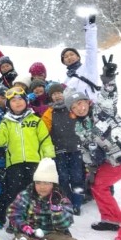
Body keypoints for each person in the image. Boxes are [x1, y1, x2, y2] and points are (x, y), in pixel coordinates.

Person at [69, 55, 121, 240]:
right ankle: (112, 219)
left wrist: (108, 80)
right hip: (114, 161)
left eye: (81, 102)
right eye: (74, 106)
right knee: (98, 185)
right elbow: (87, 152)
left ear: (87, 102)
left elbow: (109, 97)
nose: (80, 107)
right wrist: (91, 169)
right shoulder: (80, 129)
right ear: (71, 110)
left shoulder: (101, 110)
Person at [6, 158, 119, 240]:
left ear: (53, 184)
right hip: (30, 232)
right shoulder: (26, 195)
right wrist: (25, 228)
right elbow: (13, 213)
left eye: (46, 183)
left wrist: (57, 212)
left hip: (54, 233)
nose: (42, 187)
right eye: (38, 182)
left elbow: (66, 223)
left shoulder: (61, 199)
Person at [0, 86, 55, 211]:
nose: (17, 102)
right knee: (15, 192)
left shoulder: (36, 120)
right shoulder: (5, 123)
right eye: (13, 100)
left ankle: (36, 217)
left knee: (36, 191)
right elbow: (0, 141)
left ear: (26, 101)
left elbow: (45, 140)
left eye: (20, 99)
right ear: (9, 105)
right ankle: (16, 219)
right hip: (14, 163)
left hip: (35, 162)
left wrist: (49, 159)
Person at [41, 83, 85, 215]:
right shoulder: (49, 112)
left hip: (76, 148)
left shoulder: (72, 107)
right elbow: (44, 131)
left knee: (77, 177)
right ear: (51, 97)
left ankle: (77, 203)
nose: (57, 96)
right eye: (54, 94)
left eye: (59, 92)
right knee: (63, 178)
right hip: (59, 150)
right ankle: (67, 202)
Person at [62, 14, 100, 102]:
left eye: (72, 54)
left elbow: (91, 49)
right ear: (64, 62)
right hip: (79, 113)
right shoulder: (67, 80)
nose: (69, 57)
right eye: (66, 57)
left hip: (94, 107)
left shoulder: (88, 67)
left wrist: (90, 28)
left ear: (78, 57)